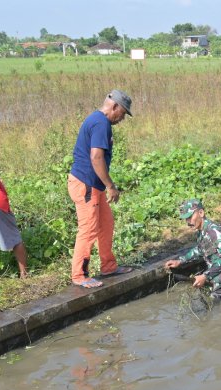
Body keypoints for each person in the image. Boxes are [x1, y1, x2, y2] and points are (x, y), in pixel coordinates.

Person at [68, 89, 134, 289]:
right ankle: (79, 275)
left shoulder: (98, 121)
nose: (121, 119)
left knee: (106, 224)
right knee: (88, 230)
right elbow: (96, 157)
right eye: (122, 114)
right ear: (114, 106)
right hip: (86, 185)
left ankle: (108, 266)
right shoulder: (101, 123)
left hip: (94, 186)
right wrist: (110, 186)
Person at [164, 199, 221, 301]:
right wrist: (180, 260)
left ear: (201, 213)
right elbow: (201, 249)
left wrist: (205, 276)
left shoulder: (214, 231)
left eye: (190, 217)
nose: (188, 222)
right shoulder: (201, 231)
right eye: (186, 219)